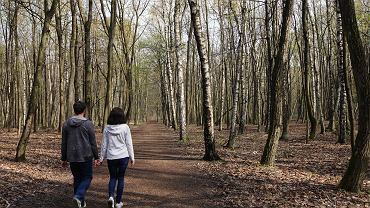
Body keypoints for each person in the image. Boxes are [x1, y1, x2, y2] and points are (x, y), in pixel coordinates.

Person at [61, 101, 99, 208]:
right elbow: (92, 142)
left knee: (77, 178)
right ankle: (78, 197)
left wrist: (64, 158)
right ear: (84, 110)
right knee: (87, 177)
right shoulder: (88, 124)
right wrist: (96, 156)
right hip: (86, 155)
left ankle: (80, 203)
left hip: (72, 156)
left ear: (74, 110)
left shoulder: (66, 124)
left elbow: (64, 142)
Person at [99, 107, 135, 208]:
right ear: (122, 116)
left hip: (111, 157)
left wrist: (101, 158)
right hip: (123, 156)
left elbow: (104, 145)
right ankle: (118, 202)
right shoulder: (125, 127)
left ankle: (111, 197)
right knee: (121, 178)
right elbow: (129, 143)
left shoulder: (107, 127)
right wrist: (132, 157)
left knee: (113, 177)